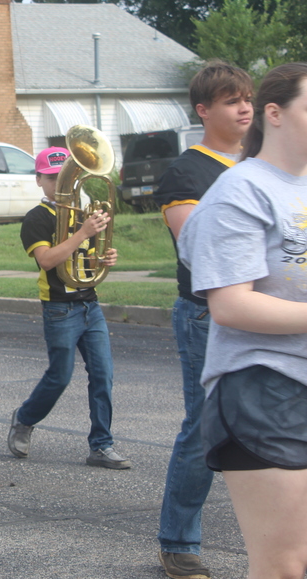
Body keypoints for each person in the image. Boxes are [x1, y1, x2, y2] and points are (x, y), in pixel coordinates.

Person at [177, 61, 307, 579]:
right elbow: (231, 304)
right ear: (274, 114)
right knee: (284, 566)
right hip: (263, 391)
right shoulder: (240, 192)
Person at [153, 60, 254, 579]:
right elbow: (197, 249)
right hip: (205, 316)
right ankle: (178, 540)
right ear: (204, 110)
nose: (244, 108)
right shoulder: (187, 172)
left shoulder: (263, 165)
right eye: (231, 100)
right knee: (205, 429)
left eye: (247, 99)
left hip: (268, 312)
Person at [7, 147, 129, 469]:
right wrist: (84, 232)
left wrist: (102, 259)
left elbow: (85, 259)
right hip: (60, 308)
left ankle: (101, 446)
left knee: (103, 374)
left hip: (89, 303)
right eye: (53, 177)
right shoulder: (36, 218)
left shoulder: (81, 213)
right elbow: (47, 260)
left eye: (66, 177)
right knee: (59, 377)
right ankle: (24, 418)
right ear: (39, 180)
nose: (61, 183)